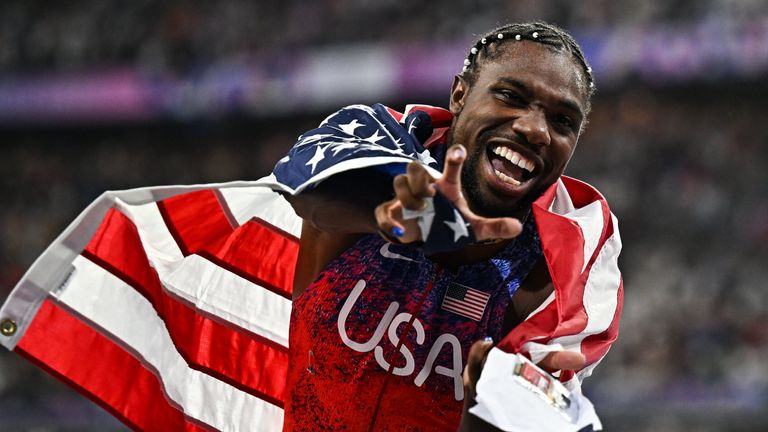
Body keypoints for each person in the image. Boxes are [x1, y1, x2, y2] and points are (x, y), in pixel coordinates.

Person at [269, 21, 623, 431]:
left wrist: (497, 415)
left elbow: (537, 408)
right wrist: (403, 210)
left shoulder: (570, 253)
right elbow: (308, 187)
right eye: (510, 96)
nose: (534, 129)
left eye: (562, 121)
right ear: (460, 94)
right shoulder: (377, 138)